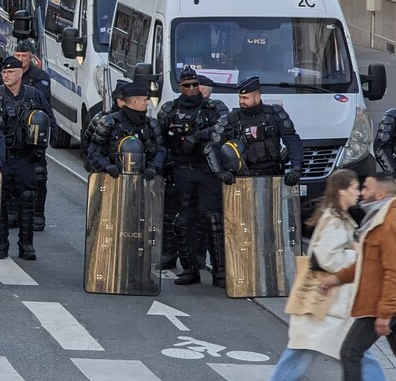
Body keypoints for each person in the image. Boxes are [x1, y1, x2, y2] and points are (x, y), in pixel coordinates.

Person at [263, 170, 388, 381]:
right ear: (342, 191)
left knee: (304, 355)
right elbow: (327, 257)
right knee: (354, 354)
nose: (358, 193)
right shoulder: (336, 220)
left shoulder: (337, 217)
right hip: (327, 307)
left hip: (328, 307)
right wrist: (357, 254)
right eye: (355, 188)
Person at [321, 173, 396, 381]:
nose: (362, 192)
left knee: (350, 352)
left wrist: (384, 314)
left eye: (366, 188)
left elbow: (395, 272)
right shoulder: (380, 218)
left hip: (381, 304)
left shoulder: (390, 223)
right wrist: (337, 279)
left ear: (379, 193)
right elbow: (368, 262)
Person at [157, 66, 229, 286]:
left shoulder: (213, 107)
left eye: (195, 84)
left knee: (213, 220)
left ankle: (220, 272)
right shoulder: (169, 110)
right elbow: (159, 140)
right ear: (180, 86)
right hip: (181, 170)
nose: (191, 89)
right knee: (182, 222)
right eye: (187, 85)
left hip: (207, 171)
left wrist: (198, 136)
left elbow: (224, 126)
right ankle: (189, 269)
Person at [0, 56, 54, 260]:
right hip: (1, 157)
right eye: (4, 72)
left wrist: (40, 151)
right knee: (1, 201)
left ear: (20, 73)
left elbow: (50, 121)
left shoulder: (34, 95)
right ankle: (1, 244)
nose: (6, 76)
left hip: (25, 157)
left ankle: (27, 245)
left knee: (27, 199)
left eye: (11, 72)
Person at [207, 76, 304, 187]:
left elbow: (292, 140)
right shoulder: (230, 119)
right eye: (240, 97)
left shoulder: (275, 114)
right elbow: (212, 147)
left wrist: (296, 168)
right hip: (242, 180)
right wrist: (221, 172)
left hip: (274, 178)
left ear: (257, 97)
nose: (241, 101)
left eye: (245, 98)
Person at [84, 81, 166, 180]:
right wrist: (106, 166)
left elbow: (161, 150)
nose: (147, 103)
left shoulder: (150, 124)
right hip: (113, 182)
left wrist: (153, 166)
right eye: (145, 100)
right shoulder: (109, 123)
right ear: (135, 101)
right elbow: (93, 152)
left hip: (143, 182)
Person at [13, 38, 52, 229]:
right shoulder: (9, 73)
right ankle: (13, 213)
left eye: (24, 56)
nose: (21, 59)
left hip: (35, 134)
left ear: (31, 57)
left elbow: (43, 105)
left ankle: (38, 214)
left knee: (38, 175)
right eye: (18, 56)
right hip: (13, 134)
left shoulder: (39, 77)